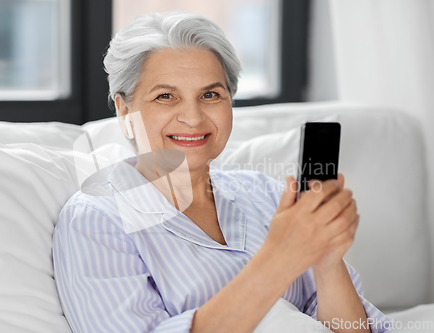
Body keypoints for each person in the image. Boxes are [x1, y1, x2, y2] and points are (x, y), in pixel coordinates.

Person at [52, 12, 391, 333]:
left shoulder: (266, 195)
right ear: (124, 109)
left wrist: (328, 262)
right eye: (166, 96)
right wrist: (279, 259)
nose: (194, 117)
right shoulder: (96, 220)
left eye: (211, 94)